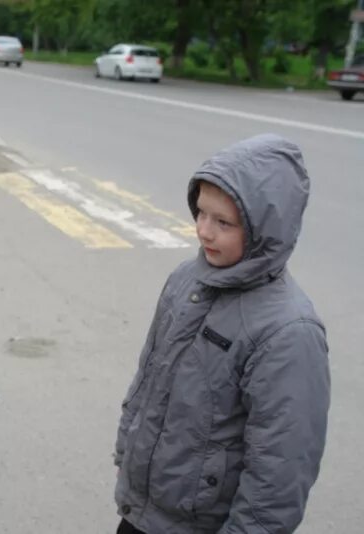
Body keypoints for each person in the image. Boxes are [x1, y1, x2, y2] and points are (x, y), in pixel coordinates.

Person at [113, 134, 330, 534]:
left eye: (223, 222)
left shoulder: (288, 331)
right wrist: (127, 447)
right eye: (200, 213)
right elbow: (147, 379)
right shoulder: (185, 281)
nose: (204, 232)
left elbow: (279, 473)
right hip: (141, 511)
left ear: (268, 228)